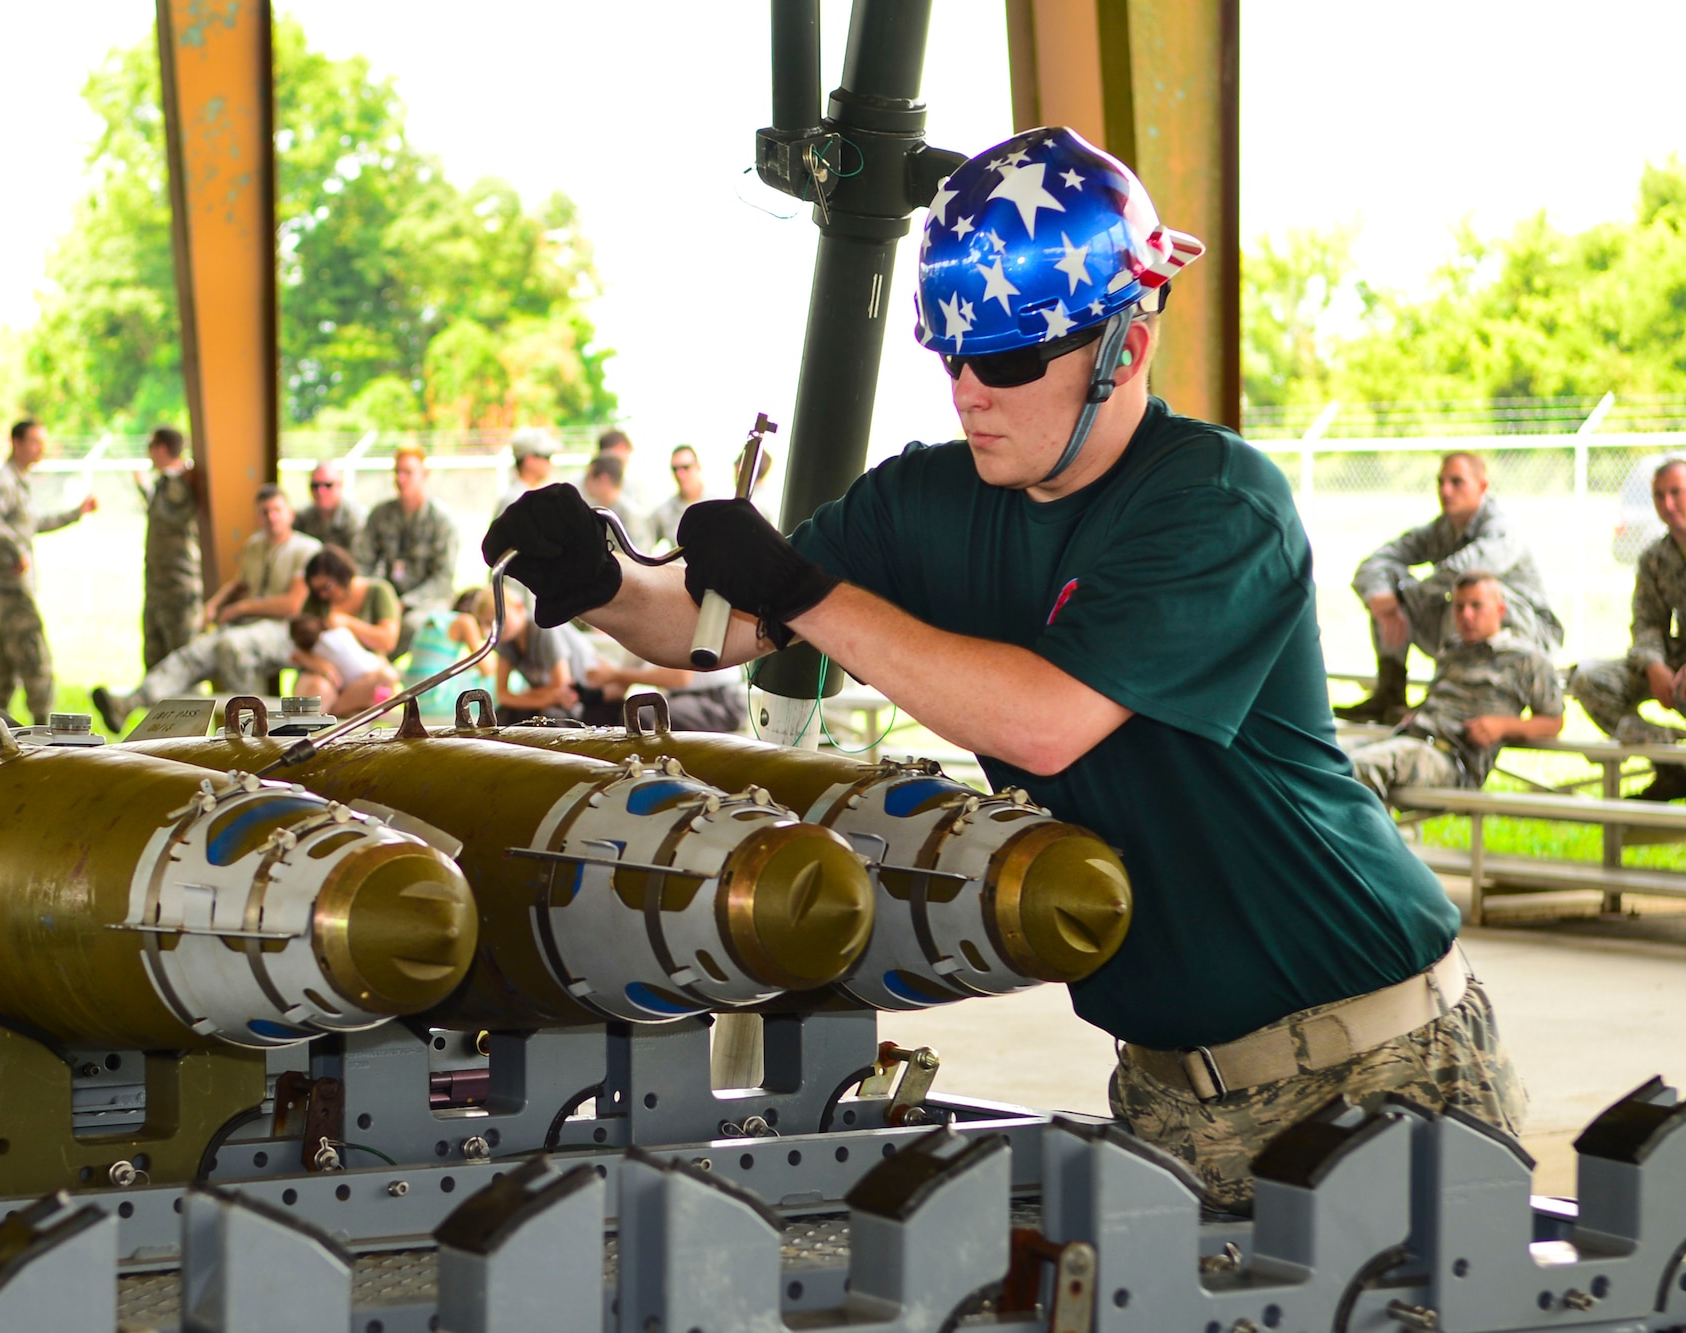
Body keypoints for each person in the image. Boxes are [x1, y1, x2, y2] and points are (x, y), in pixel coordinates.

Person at [484, 126, 1522, 1211]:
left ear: (1121, 345)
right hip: (1166, 1089)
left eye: (1010, 358)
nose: (968, 391)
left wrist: (805, 592)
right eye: (950, 355)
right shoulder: (927, 500)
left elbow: (1045, 722)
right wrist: (595, 575)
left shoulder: (1214, 504)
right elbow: (711, 626)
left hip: (1373, 1073)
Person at [1336, 453, 1562, 724]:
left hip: (1525, 633)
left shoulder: (1501, 528)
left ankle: (1445, 698)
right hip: (1466, 634)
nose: (1445, 491)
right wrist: (1383, 599)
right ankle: (1389, 691)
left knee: (1464, 597)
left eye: (1457, 482)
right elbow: (1376, 562)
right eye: (1441, 482)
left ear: (1482, 487)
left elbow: (1461, 571)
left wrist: (1402, 597)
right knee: (1391, 585)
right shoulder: (1441, 530)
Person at [93, 485, 320, 731]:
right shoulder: (255, 545)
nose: (271, 517)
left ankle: (251, 728)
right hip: (245, 627)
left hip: (286, 630)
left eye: (277, 510)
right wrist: (212, 606)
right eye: (265, 511)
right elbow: (239, 583)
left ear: (290, 513)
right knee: (192, 653)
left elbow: (294, 604)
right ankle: (128, 703)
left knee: (232, 646)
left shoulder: (306, 549)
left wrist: (242, 608)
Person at [1345, 573, 1564, 803]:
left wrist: (1503, 726)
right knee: (1326, 755)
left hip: (1451, 759)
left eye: (1476, 606)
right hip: (1410, 738)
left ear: (1500, 610)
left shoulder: (1525, 659)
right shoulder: (1452, 648)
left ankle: (1351, 838)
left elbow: (1554, 721)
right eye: (1459, 607)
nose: (1466, 615)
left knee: (1362, 768)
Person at [1569, 456, 1686, 800]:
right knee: (1589, 680)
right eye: (1658, 495)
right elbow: (1647, 621)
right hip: (1675, 663)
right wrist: (1654, 666)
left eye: (1677, 493)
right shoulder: (1655, 557)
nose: (1667, 504)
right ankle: (1672, 759)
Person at [0, 418, 97, 724]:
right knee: (33, 651)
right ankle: (44, 728)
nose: (40, 449)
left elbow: (33, 525)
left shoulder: (19, 482)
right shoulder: (3, 481)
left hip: (11, 585)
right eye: (34, 442)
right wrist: (15, 551)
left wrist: (76, 513)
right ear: (16, 443)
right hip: (9, 585)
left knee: (5, 659)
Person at [355, 447, 459, 656]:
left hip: (426, 601)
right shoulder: (381, 515)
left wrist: (405, 603)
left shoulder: (440, 521)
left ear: (425, 475)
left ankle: (383, 670)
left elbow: (442, 578)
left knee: (412, 626)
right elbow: (362, 562)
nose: (401, 479)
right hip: (389, 596)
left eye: (408, 472)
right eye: (397, 472)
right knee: (357, 622)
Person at [137, 425, 202, 670]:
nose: (149, 454)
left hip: (178, 588)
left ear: (161, 448)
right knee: (156, 662)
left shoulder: (177, 483)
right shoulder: (166, 484)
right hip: (158, 587)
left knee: (182, 665)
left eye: (151, 448)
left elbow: (174, 514)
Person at [492, 588, 605, 726]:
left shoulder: (542, 628)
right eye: (486, 623)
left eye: (500, 618)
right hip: (550, 698)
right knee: (502, 716)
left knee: (549, 719)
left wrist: (526, 696)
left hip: (582, 697)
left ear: (518, 608)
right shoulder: (505, 639)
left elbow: (563, 686)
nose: (495, 627)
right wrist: (542, 696)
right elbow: (502, 695)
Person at [400, 587, 495, 722]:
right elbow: (486, 669)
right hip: (434, 697)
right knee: (503, 682)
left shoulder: (437, 618)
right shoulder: (465, 621)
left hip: (412, 695)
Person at [586, 659, 746, 732]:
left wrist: (614, 675)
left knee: (646, 715)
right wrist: (583, 696)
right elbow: (619, 687)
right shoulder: (636, 633)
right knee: (602, 713)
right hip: (679, 700)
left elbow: (679, 679)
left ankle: (649, 777)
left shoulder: (682, 619)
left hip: (719, 702)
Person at [302, 545, 401, 661]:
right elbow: (299, 646)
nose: (323, 595)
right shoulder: (316, 601)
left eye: (327, 587)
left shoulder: (378, 591)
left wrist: (348, 623)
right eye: (317, 591)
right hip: (326, 665)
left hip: (368, 665)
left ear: (343, 575)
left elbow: (387, 642)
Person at [289, 613, 397, 715]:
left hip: (361, 678)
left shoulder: (316, 651)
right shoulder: (340, 631)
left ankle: (332, 713)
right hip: (374, 666)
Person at [492, 429, 558, 522]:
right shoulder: (516, 501)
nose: (550, 463)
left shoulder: (528, 497)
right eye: (547, 457)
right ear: (529, 460)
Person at [295, 460, 363, 551]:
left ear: (340, 486)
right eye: (315, 486)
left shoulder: (354, 518)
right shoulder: (303, 518)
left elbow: (359, 559)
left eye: (328, 485)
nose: (321, 492)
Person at [580, 454, 645, 548]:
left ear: (603, 479)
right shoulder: (591, 509)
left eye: (588, 477)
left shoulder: (632, 515)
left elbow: (640, 553)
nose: (585, 483)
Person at [647, 445, 704, 550]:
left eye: (686, 467)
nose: (680, 474)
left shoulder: (718, 503)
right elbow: (643, 544)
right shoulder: (664, 512)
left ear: (698, 467)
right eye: (675, 469)